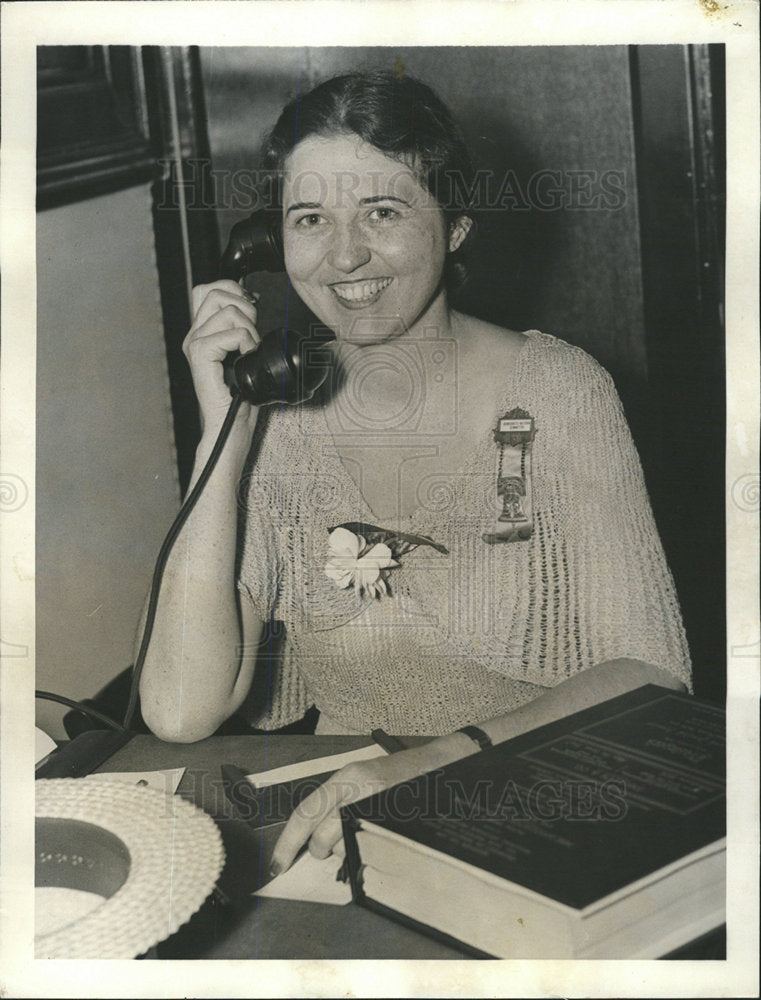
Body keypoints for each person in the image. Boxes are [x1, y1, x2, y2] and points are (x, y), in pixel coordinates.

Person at [138, 71, 691, 876]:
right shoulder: (276, 417)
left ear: (456, 225)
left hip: (533, 806)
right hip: (340, 828)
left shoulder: (561, 392)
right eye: (310, 219)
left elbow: (652, 669)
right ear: (269, 240)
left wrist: (424, 767)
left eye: (383, 212)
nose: (345, 255)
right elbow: (180, 709)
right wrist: (218, 438)